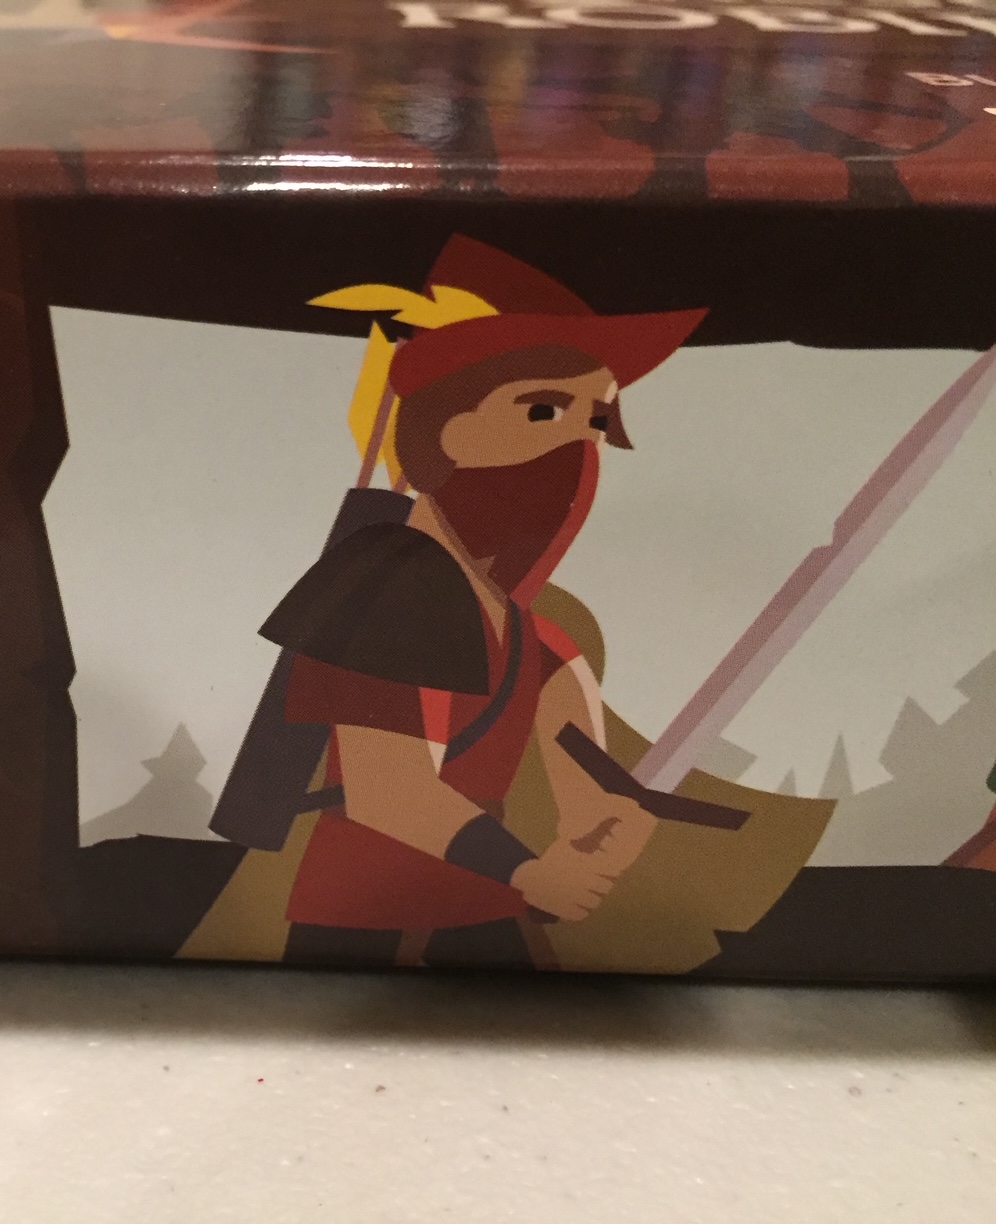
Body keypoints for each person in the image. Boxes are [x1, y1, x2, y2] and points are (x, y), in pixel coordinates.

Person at [262, 235, 707, 967]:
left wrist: (603, 831)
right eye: (545, 411)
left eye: (597, 421)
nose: (579, 448)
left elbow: (586, 784)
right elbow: (386, 792)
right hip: (365, 922)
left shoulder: (539, 638)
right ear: (450, 430)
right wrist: (531, 872)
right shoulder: (382, 586)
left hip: (480, 911)